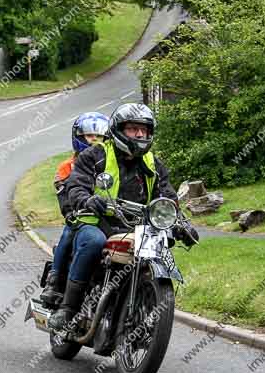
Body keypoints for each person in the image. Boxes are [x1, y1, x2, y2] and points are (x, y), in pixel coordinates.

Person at [47, 103, 198, 330]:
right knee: (93, 242)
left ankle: (137, 302)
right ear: (118, 130)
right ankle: (68, 308)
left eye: (144, 130)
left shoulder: (154, 164)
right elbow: (77, 185)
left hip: (137, 227)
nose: (140, 134)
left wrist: (180, 222)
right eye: (133, 129)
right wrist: (87, 200)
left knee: (162, 246)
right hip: (97, 221)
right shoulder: (94, 155)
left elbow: (167, 197)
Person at [40, 112, 110, 309]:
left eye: (100, 137)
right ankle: (54, 279)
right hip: (79, 215)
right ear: (79, 138)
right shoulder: (67, 166)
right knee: (69, 232)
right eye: (90, 136)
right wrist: (70, 211)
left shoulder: (107, 164)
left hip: (105, 217)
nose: (95, 140)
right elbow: (63, 191)